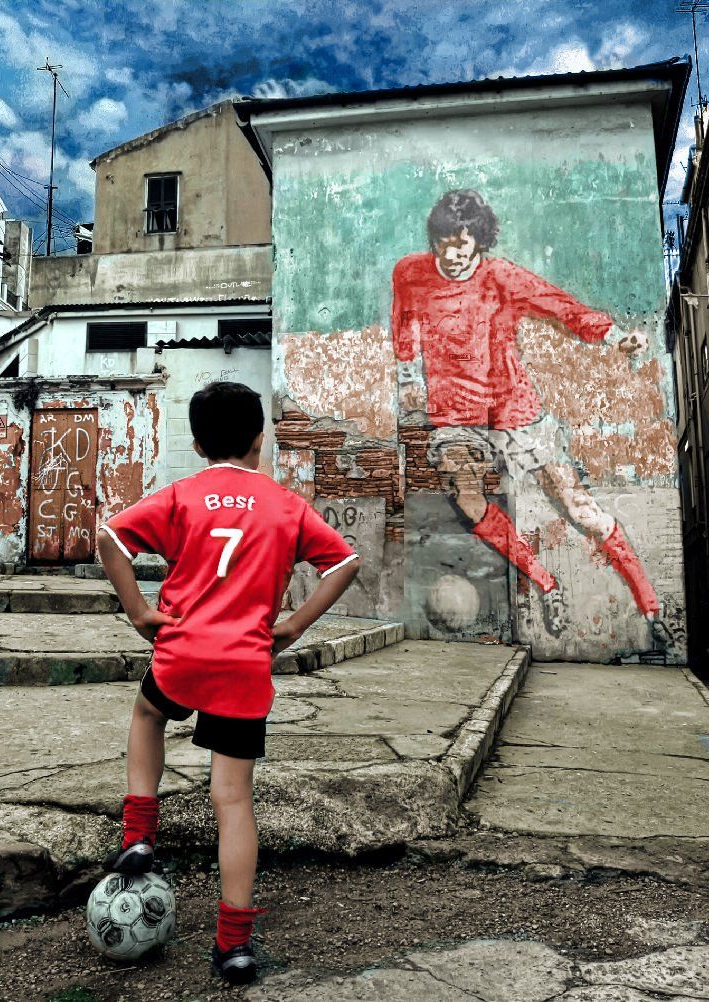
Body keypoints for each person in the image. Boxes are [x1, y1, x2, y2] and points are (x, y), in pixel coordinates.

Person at [97, 381, 360, 985]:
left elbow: (109, 537)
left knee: (148, 715)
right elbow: (345, 563)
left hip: (182, 651)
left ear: (195, 443)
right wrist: (292, 624)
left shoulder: (185, 495)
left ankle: (138, 832)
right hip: (244, 664)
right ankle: (234, 946)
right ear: (259, 439)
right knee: (233, 799)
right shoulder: (286, 506)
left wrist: (139, 610)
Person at [392, 188, 671, 650]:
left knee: (578, 506)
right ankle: (545, 584)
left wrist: (614, 335)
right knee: (470, 499)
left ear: (479, 241)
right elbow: (404, 323)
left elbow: (558, 304)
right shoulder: (411, 273)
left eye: (463, 244)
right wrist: (407, 375)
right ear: (435, 241)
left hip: (514, 408)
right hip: (456, 414)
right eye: (445, 243)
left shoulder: (501, 277)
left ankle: (651, 607)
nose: (454, 254)